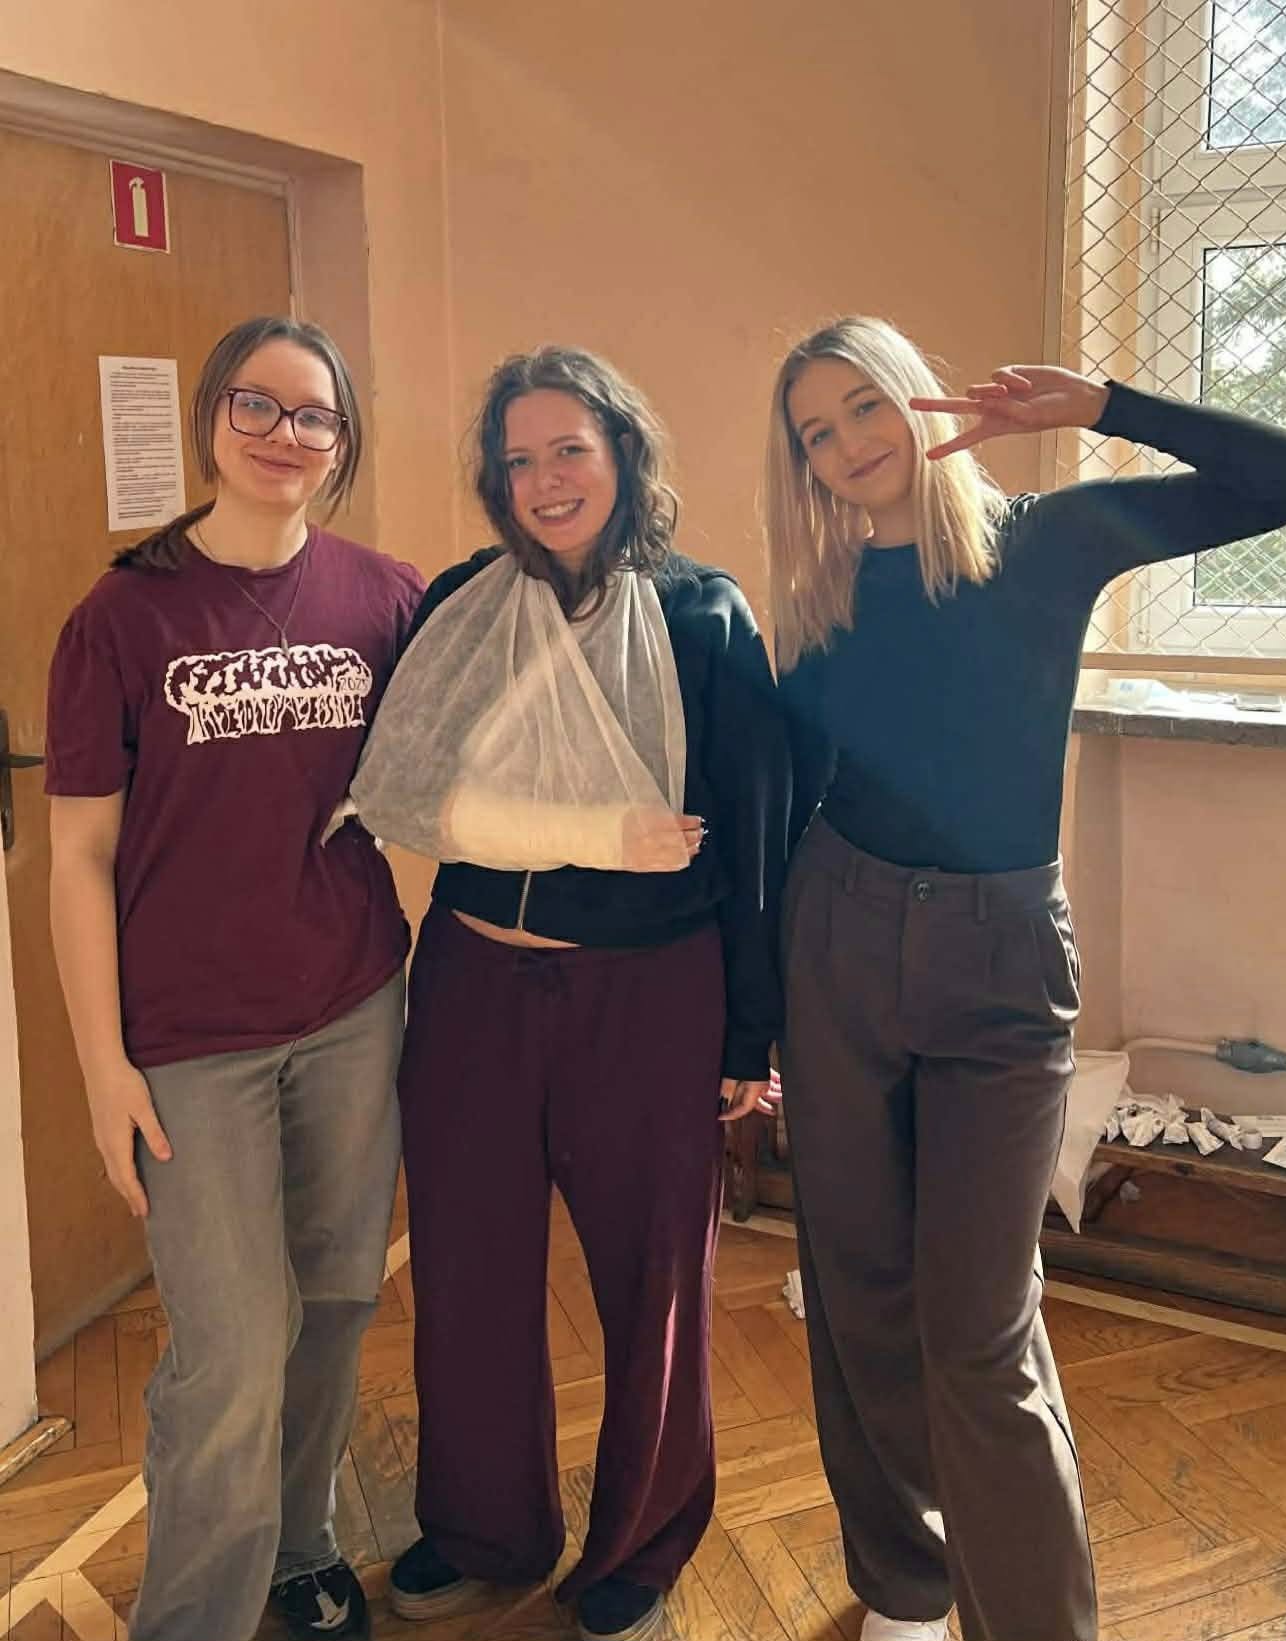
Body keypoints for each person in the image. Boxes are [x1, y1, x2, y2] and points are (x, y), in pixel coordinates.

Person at [762, 316, 1286, 1641]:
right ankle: (904, 1586)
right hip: (837, 937)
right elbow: (790, 795)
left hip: (1000, 960)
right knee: (857, 1294)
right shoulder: (816, 595)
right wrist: (759, 1017)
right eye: (815, 433)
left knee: (979, 1326)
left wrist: (1104, 405)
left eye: (864, 406)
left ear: (917, 397)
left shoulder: (1047, 540)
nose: (847, 443)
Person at [359, 346, 789, 1641]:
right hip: (473, 980)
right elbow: (412, 788)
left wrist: (751, 1032)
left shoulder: (702, 616)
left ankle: (641, 1542)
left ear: (622, 456)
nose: (544, 480)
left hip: (649, 990)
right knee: (465, 1265)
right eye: (518, 459)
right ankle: (483, 1527)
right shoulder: (459, 603)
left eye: (569, 450)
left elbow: (753, 841)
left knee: (654, 1275)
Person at [46, 316, 425, 1641]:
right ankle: (192, 1613)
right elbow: (78, 856)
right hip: (189, 1041)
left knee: (335, 1299)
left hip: (352, 1007)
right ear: (213, 416)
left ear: (342, 443)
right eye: (256, 406)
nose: (283, 435)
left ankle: (299, 1540)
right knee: (230, 1342)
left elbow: (451, 768)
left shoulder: (386, 597)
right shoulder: (120, 617)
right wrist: (103, 1066)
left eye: (313, 415)